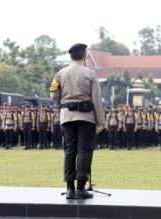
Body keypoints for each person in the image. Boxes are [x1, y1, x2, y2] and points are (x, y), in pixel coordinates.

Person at [50, 43, 105, 199]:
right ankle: (80, 187)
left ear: (71, 56)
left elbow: (53, 96)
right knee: (84, 150)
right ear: (84, 56)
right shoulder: (90, 73)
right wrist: (100, 121)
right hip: (86, 117)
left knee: (69, 151)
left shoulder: (60, 73)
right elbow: (96, 99)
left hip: (67, 117)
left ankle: (69, 189)